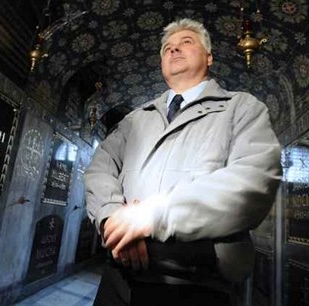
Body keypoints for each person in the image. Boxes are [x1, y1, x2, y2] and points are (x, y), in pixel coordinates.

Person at [84, 18, 281, 306]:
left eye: (186, 42)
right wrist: (111, 217)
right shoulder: (134, 119)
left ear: (209, 57)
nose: (174, 50)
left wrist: (152, 216)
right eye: (167, 48)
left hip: (197, 282)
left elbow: (255, 179)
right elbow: (100, 167)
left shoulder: (242, 108)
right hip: (120, 278)